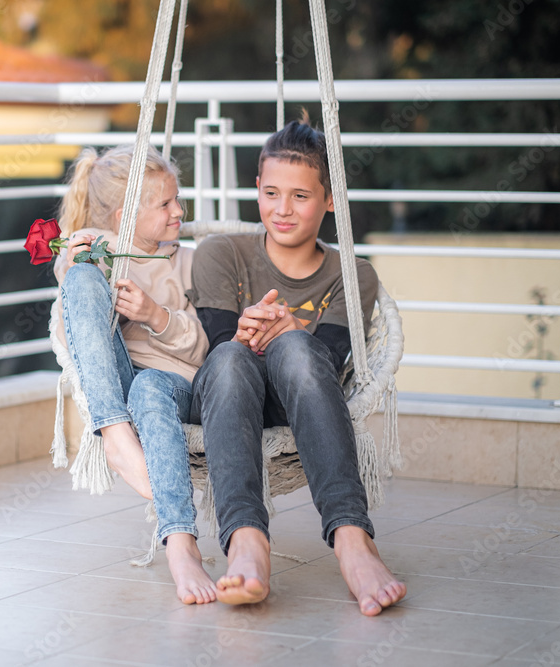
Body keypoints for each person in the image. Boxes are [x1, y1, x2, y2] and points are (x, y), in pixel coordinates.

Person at [186, 115, 407, 615]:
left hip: (302, 405)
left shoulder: (353, 275)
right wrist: (243, 332)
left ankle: (353, 539)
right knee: (230, 357)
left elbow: (325, 364)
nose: (281, 210)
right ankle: (246, 539)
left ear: (329, 200)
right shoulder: (221, 253)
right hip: (226, 399)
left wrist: (289, 334)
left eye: (301, 197)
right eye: (270, 193)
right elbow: (219, 348)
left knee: (295, 349)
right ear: (257, 189)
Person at [52, 144, 216, 604]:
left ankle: (181, 544)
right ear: (126, 215)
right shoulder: (106, 257)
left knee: (148, 386)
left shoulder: (186, 261)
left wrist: (154, 315)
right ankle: (115, 431)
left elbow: (205, 348)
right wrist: (71, 263)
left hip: (176, 385)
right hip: (116, 390)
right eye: (164, 204)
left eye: (176, 199)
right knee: (82, 277)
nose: (178, 211)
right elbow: (73, 339)